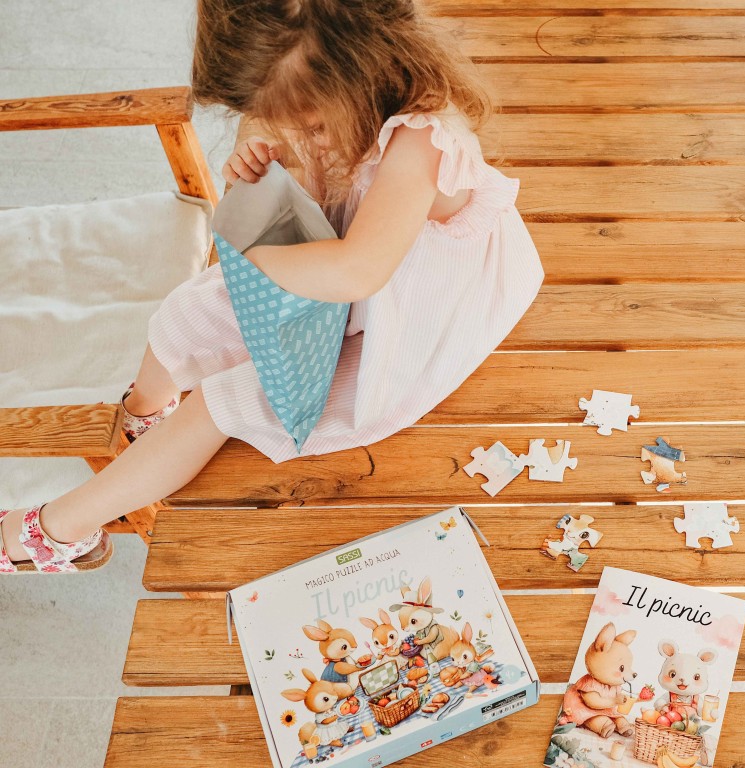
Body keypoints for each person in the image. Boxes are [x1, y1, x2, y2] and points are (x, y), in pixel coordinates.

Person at [0, 0, 544, 572]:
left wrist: (254, 257)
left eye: (310, 124)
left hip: (407, 314)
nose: (303, 134)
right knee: (184, 312)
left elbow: (359, 269)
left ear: (367, 69)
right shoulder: (325, 94)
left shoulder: (423, 142)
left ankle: (62, 528)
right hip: (329, 267)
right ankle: (143, 412)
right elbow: (301, 180)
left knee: (221, 402)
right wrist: (258, 162)